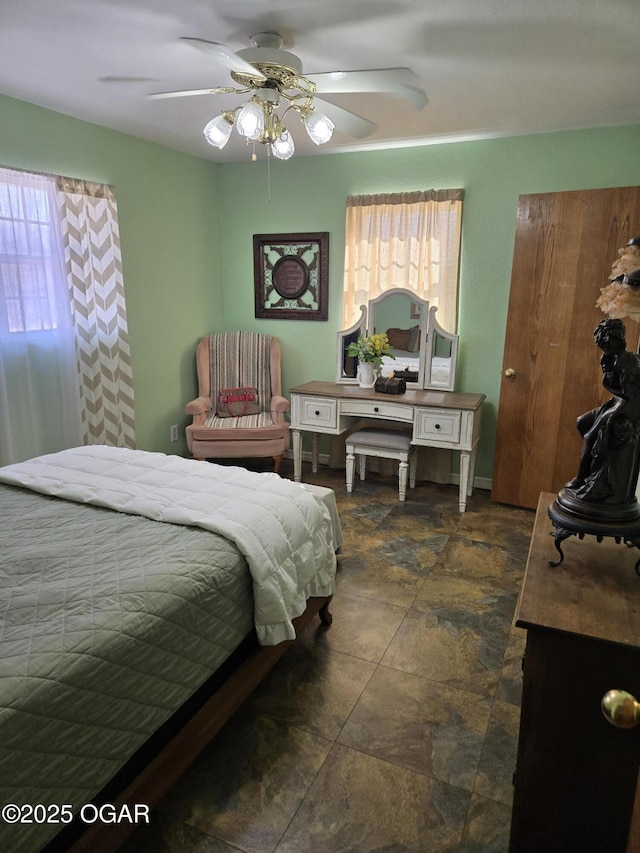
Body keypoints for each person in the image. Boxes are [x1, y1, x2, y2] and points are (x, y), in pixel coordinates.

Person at [565, 318, 640, 503]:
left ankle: (581, 478)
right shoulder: (609, 358)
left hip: (630, 405)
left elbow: (631, 394)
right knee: (582, 421)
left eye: (606, 345)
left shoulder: (630, 361)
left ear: (615, 341)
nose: (604, 350)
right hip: (617, 401)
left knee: (591, 436)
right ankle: (595, 465)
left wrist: (612, 416)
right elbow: (613, 388)